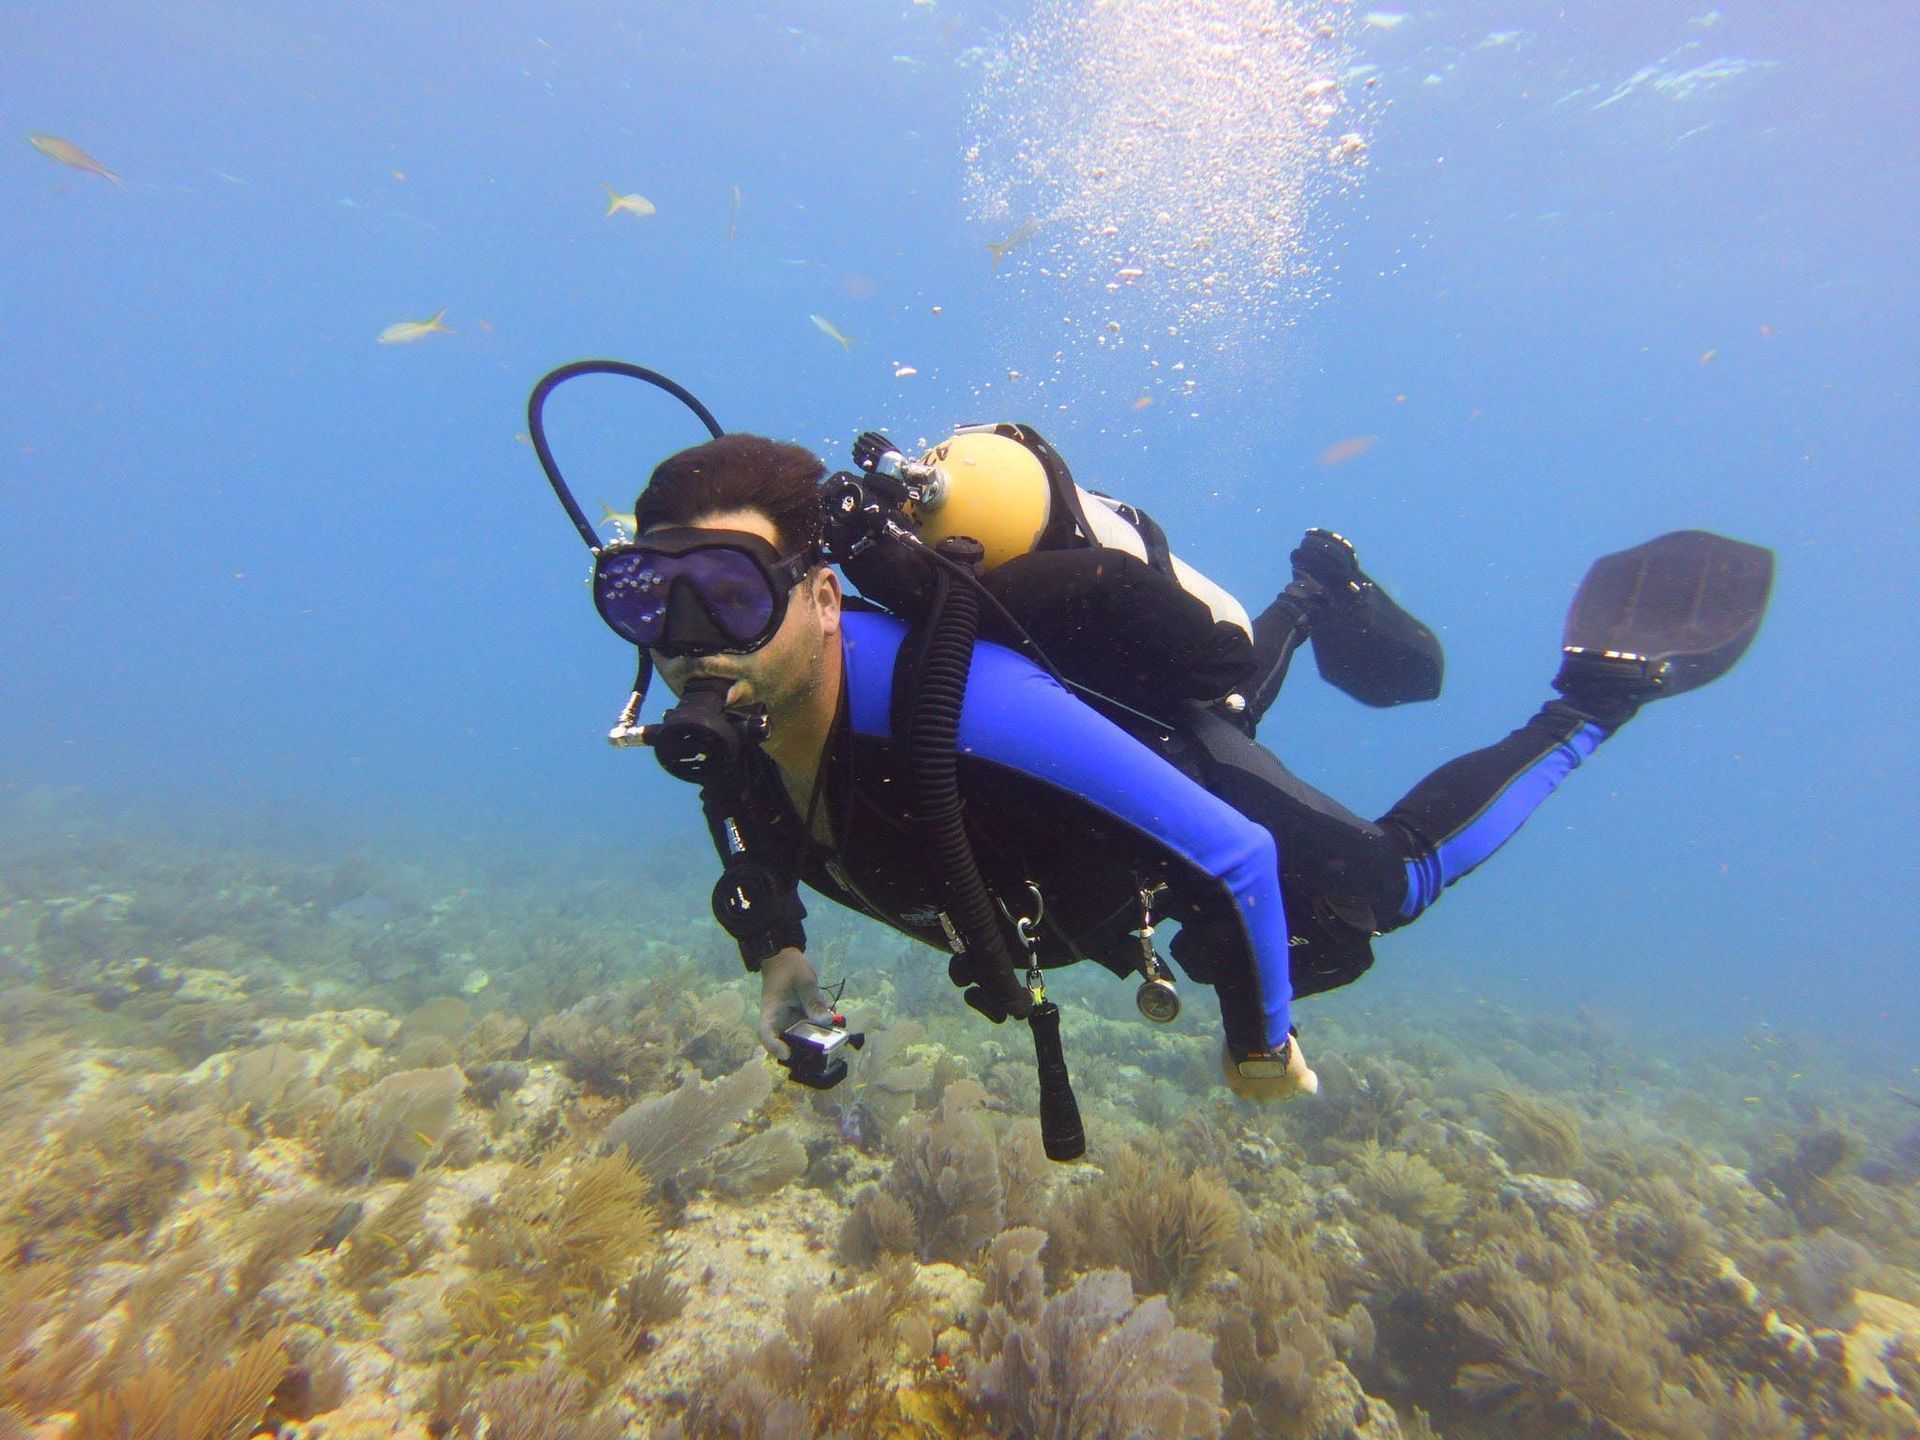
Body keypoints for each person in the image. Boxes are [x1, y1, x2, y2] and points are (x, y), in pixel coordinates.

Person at [605, 431, 1771, 1107]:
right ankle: (1312, 590)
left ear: (819, 595)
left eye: (736, 594)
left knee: (1372, 884)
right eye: (651, 602)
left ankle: (1597, 694)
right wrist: (780, 963)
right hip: (1101, 783)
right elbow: (751, 838)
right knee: (1213, 706)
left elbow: (1237, 849)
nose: (694, 646)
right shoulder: (744, 714)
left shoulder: (955, 697)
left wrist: (1259, 1045)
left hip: (1144, 781)